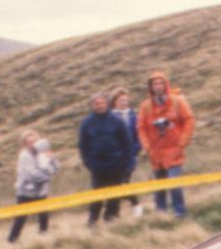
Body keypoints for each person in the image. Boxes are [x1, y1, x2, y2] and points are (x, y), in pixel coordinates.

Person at [134, 70, 194, 218]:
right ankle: (161, 214)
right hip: (156, 153)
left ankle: (180, 213)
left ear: (165, 84)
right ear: (150, 87)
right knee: (159, 186)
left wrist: (182, 142)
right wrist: (147, 146)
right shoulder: (145, 107)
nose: (158, 86)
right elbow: (141, 128)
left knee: (174, 184)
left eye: (160, 83)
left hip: (174, 150)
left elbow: (189, 120)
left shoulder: (177, 102)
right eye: (155, 84)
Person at [77, 93, 133, 226]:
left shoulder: (117, 121)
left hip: (116, 164)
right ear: (92, 105)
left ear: (107, 104)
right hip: (97, 166)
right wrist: (89, 163)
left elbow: (126, 143)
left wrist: (125, 163)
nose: (100, 106)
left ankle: (110, 219)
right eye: (97, 103)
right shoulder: (87, 123)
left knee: (114, 194)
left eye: (102, 103)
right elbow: (83, 146)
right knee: (97, 194)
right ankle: (93, 220)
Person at [7, 130, 57, 243]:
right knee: (21, 218)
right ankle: (12, 240)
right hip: (25, 192)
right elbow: (32, 174)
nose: (32, 144)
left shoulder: (43, 153)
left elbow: (55, 167)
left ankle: (43, 237)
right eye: (29, 142)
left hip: (41, 191)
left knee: (44, 215)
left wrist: (52, 158)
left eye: (35, 141)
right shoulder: (24, 156)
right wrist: (47, 176)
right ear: (25, 144)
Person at [107, 87, 143, 217]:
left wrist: (135, 150)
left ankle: (136, 205)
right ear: (114, 101)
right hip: (114, 158)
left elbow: (139, 136)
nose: (124, 103)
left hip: (129, 157)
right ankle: (115, 212)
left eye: (126, 100)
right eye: (121, 100)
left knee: (123, 183)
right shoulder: (109, 117)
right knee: (114, 185)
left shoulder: (133, 117)